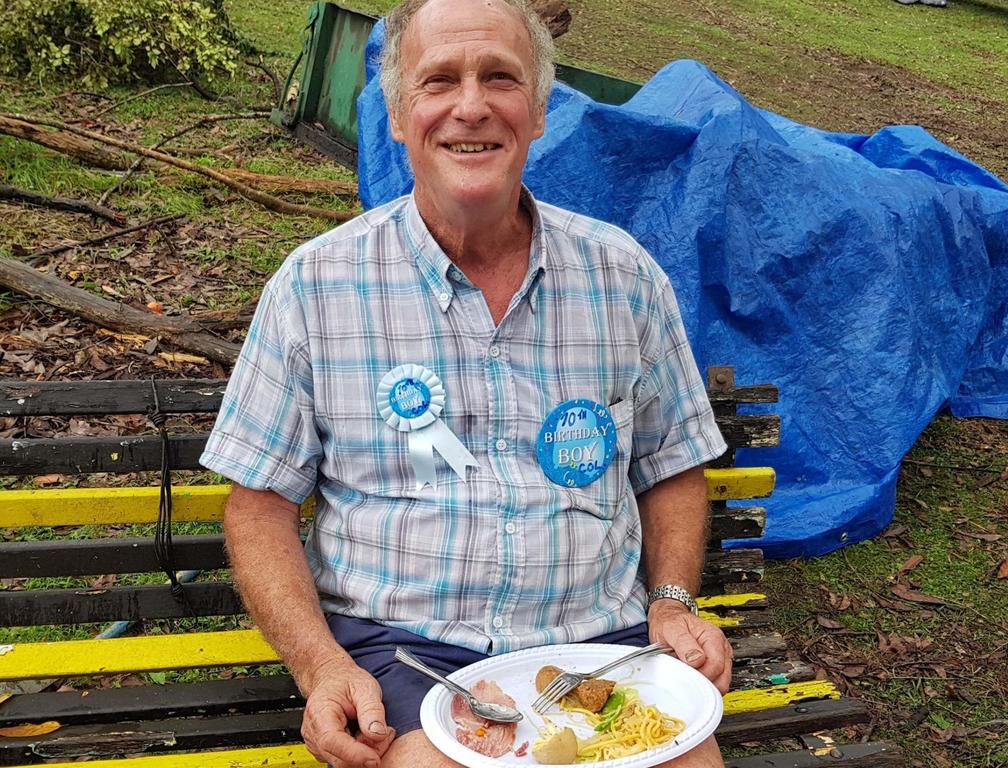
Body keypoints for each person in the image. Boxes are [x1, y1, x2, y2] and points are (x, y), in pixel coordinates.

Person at [199, 0, 732, 765]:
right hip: (408, 655)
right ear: (396, 115)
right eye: (439, 80)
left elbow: (673, 464)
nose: (471, 106)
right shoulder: (316, 287)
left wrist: (672, 603)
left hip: (599, 644)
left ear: (539, 110)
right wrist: (322, 668)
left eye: (500, 78)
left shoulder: (624, 278)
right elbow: (258, 508)